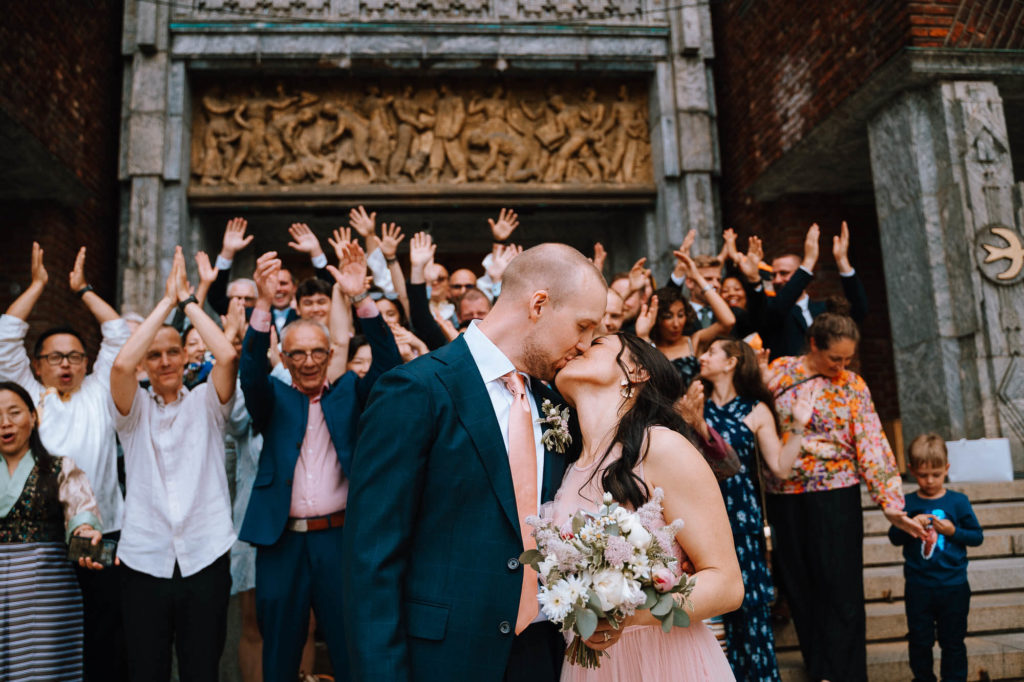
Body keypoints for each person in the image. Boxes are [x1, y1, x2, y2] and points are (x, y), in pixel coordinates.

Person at [342, 243, 607, 681]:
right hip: (444, 659)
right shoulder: (415, 390)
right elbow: (372, 559)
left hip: (545, 655)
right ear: (539, 304)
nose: (583, 346)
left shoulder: (557, 402)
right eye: (583, 326)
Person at [239, 244, 401, 681]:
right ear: (286, 361)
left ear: (331, 356)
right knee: (279, 652)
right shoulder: (272, 399)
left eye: (317, 353)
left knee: (349, 649)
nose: (308, 361)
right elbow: (249, 371)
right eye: (297, 355)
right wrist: (259, 302)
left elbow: (389, 364)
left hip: (339, 540)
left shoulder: (350, 391)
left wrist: (360, 298)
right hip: (282, 543)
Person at [550, 332, 744, 680]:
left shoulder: (661, 447)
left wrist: (622, 612)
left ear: (636, 371)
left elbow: (727, 584)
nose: (577, 346)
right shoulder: (565, 474)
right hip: (590, 669)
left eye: (596, 343)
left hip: (666, 659)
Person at [764, 312, 925, 682]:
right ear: (814, 344)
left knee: (841, 589)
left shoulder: (853, 385)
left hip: (836, 493)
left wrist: (891, 504)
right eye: (835, 358)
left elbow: (871, 442)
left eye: (848, 359)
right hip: (785, 494)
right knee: (800, 586)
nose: (842, 365)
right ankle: (819, 669)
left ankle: (846, 674)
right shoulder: (781, 372)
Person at [0, 243, 131, 681]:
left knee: (104, 634)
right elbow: (6, 334)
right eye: (54, 357)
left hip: (101, 530)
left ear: (87, 362)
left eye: (74, 356)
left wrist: (83, 290)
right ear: (36, 365)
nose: (65, 365)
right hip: (41, 540)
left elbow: (119, 334)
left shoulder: (99, 392)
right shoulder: (26, 396)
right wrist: (38, 285)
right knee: (46, 637)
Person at [109, 248, 239, 682]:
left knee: (202, 669)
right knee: (147, 669)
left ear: (185, 356)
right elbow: (122, 363)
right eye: (156, 355)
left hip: (205, 554)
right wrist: (164, 302)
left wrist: (187, 302)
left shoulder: (206, 403)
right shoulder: (133, 412)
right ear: (148, 364)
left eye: (173, 352)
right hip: (145, 558)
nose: (164, 361)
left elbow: (227, 356)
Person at [698, 337, 814, 681]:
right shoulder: (694, 403)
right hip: (702, 518)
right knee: (712, 620)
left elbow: (779, 467)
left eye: (711, 352)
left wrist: (797, 426)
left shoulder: (756, 409)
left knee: (750, 617)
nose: (703, 357)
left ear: (731, 361)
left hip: (743, 521)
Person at [0, 380, 107, 681]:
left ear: (33, 417)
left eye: (14, 413)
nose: (5, 424)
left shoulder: (60, 467)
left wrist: (84, 532)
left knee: (44, 669)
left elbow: (79, 509)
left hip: (47, 590)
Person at [889, 434, 983, 682]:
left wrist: (953, 532)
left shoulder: (958, 501)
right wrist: (908, 525)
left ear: (947, 469)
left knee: (953, 642)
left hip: (954, 586)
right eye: (922, 475)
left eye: (936, 474)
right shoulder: (907, 502)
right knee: (920, 641)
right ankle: (923, 678)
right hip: (919, 586)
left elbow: (976, 537)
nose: (929, 481)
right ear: (911, 471)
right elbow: (894, 538)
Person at [762, 222, 868, 360]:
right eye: (773, 275)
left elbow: (859, 311)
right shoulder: (771, 309)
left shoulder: (825, 308)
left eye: (784, 273)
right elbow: (778, 308)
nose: (776, 280)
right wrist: (809, 260)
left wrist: (842, 261)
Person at [650, 252, 734, 390]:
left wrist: (699, 279)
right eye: (668, 316)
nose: (676, 324)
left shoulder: (694, 340)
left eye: (681, 315)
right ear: (657, 318)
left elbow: (728, 321)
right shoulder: (647, 346)